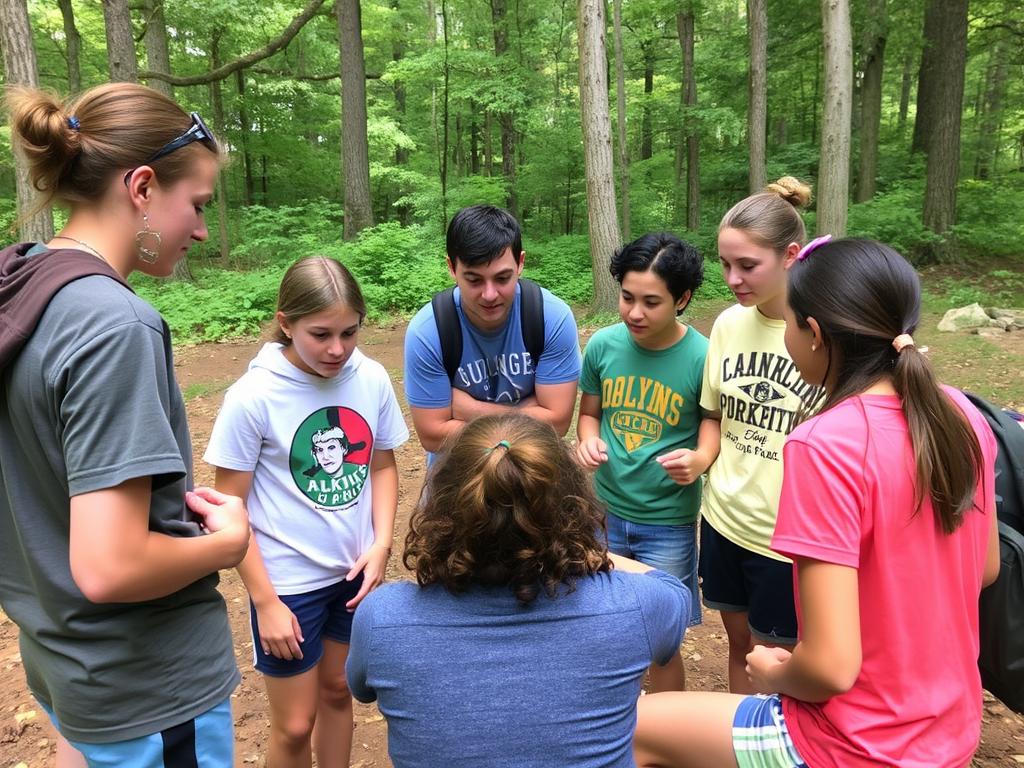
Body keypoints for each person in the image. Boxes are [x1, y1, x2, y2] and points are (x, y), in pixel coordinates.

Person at [633, 237, 1001, 768]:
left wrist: (774, 673)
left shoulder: (824, 443)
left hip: (850, 743)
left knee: (640, 727)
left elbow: (828, 668)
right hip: (949, 729)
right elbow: (984, 568)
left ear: (815, 334)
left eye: (788, 323)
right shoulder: (960, 412)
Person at [0, 84, 250, 767]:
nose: (201, 230)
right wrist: (229, 545)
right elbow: (110, 566)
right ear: (142, 187)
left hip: (64, 663)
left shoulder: (22, 289)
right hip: (147, 688)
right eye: (196, 204)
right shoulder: (115, 326)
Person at [346, 414, 689, 768]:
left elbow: (361, 689)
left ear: (442, 504)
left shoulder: (382, 619)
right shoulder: (635, 606)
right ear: (571, 506)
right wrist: (585, 548)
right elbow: (671, 589)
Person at [204, 256, 408, 768]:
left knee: (339, 692)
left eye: (349, 332)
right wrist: (265, 600)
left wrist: (381, 544)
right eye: (320, 334)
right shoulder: (252, 396)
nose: (337, 349)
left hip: (353, 572)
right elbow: (230, 509)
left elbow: (382, 466)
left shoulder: (372, 377)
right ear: (285, 321)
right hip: (286, 583)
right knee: (294, 725)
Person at [575, 232, 714, 692]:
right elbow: (590, 414)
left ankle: (665, 738)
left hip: (667, 521)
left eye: (651, 301)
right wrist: (588, 441)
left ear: (683, 298)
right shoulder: (602, 347)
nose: (635, 312)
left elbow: (712, 422)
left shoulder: (702, 356)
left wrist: (700, 458)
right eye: (627, 297)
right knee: (599, 620)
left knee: (662, 637)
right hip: (604, 511)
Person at [697, 177, 820, 693]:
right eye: (725, 264)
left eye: (748, 266)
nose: (732, 278)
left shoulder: (825, 333)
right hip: (725, 519)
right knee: (742, 650)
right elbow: (714, 414)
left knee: (780, 664)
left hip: (789, 539)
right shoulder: (727, 324)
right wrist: (701, 457)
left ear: (791, 255)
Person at [403, 205, 581, 459]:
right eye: (474, 280)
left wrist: (469, 408)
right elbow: (432, 436)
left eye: (502, 278)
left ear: (520, 263)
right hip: (458, 480)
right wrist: (528, 409)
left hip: (531, 475)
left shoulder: (550, 317)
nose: (489, 295)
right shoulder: (429, 331)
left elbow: (558, 424)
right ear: (452, 268)